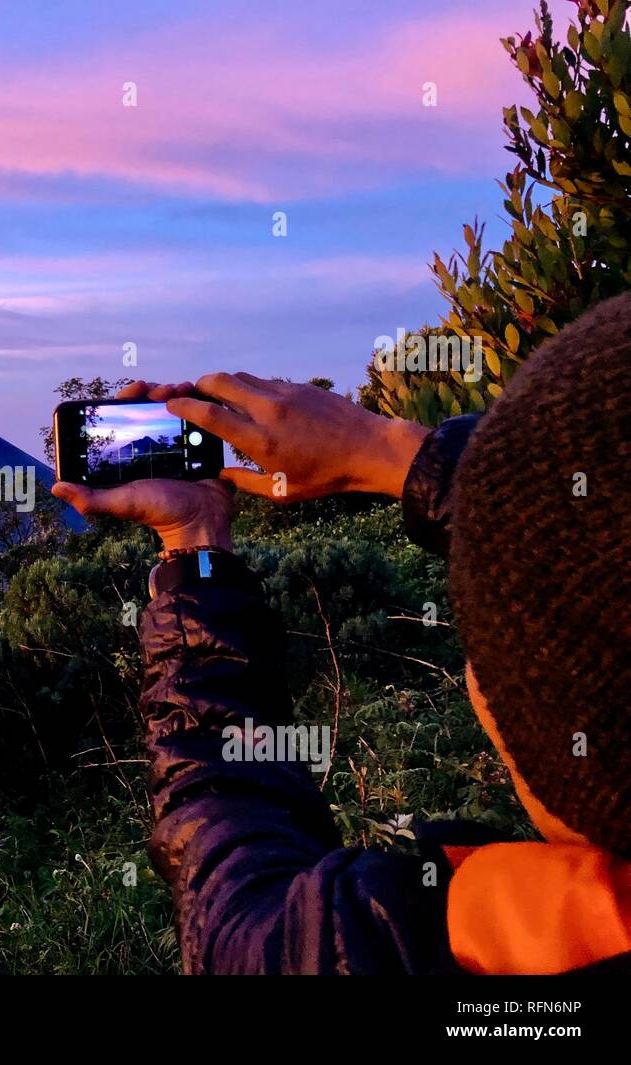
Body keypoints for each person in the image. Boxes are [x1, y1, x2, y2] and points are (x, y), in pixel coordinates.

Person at [51, 292, 631, 975]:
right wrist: (388, 452)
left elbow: (236, 921)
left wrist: (195, 546)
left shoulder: (496, 947)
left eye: (485, 644)